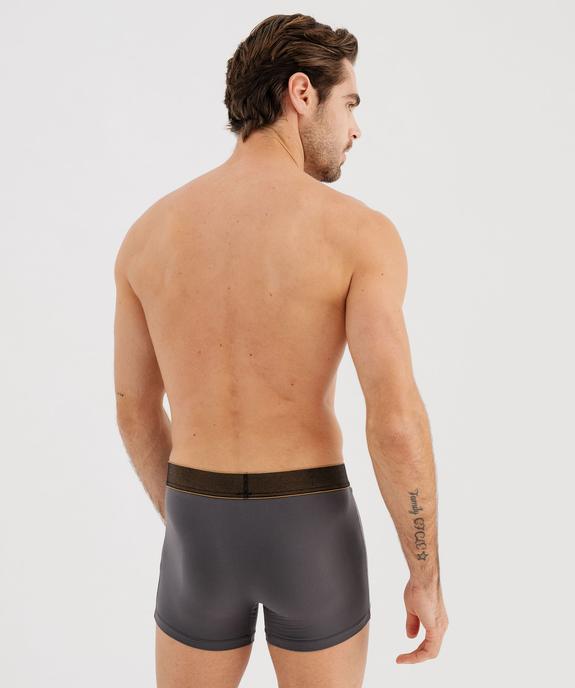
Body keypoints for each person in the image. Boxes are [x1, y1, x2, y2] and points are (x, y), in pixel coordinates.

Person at [113, 12, 448, 688]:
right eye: (349, 103)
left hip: (198, 522)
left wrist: (194, 529)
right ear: (301, 93)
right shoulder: (357, 234)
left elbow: (136, 413)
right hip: (309, 524)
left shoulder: (148, 235)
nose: (355, 128)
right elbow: (394, 419)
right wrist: (425, 575)